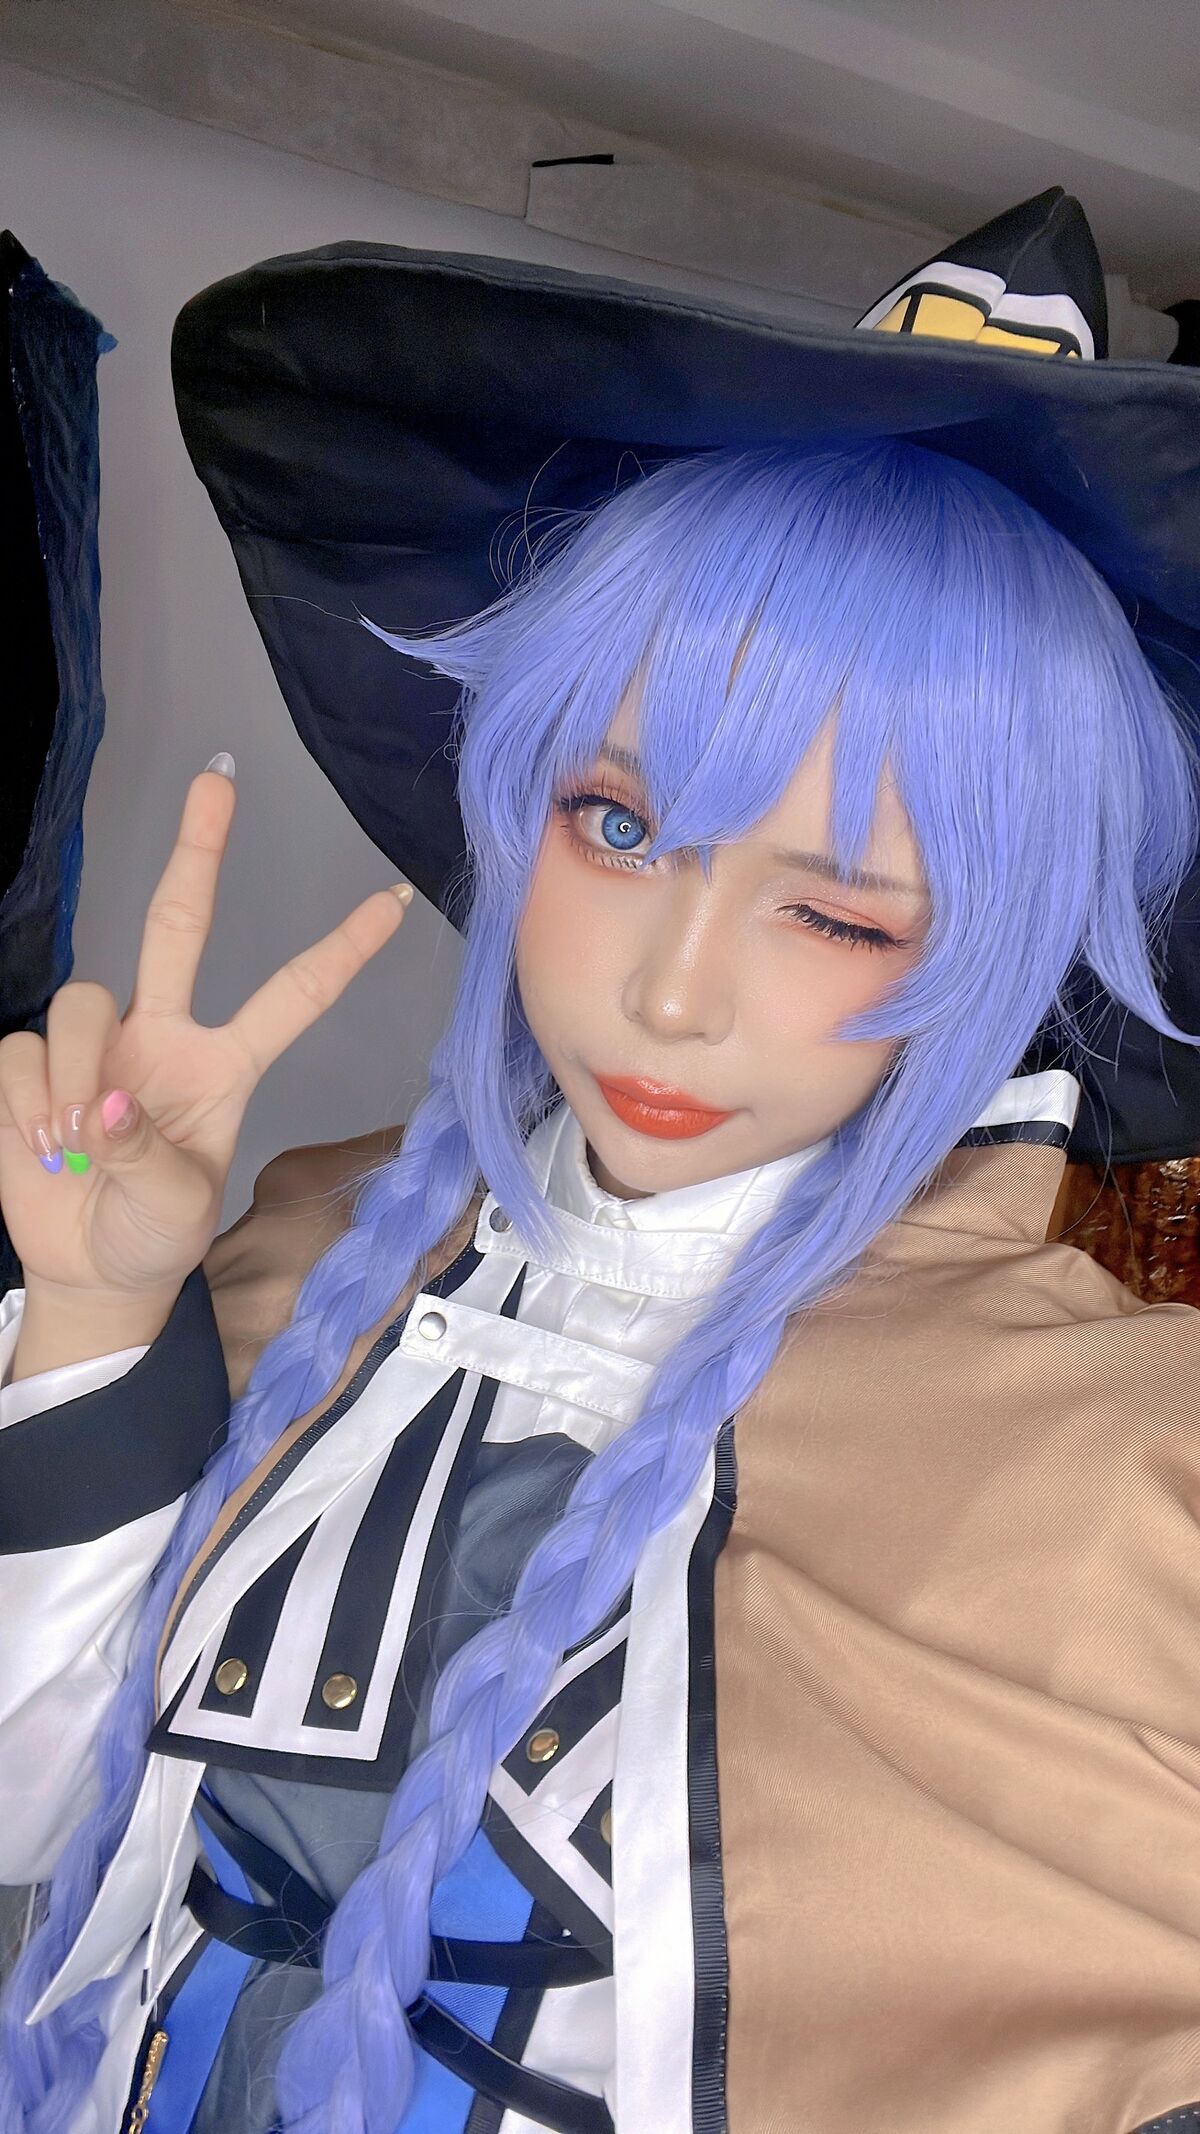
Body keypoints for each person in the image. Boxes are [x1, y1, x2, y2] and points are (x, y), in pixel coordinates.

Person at [0, 189, 1199, 2134]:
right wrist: (97, 1312)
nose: (672, 992)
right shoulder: (314, 1231)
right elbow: (37, 1819)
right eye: (621, 828)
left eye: (839, 910)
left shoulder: (1133, 1466)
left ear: (996, 960)